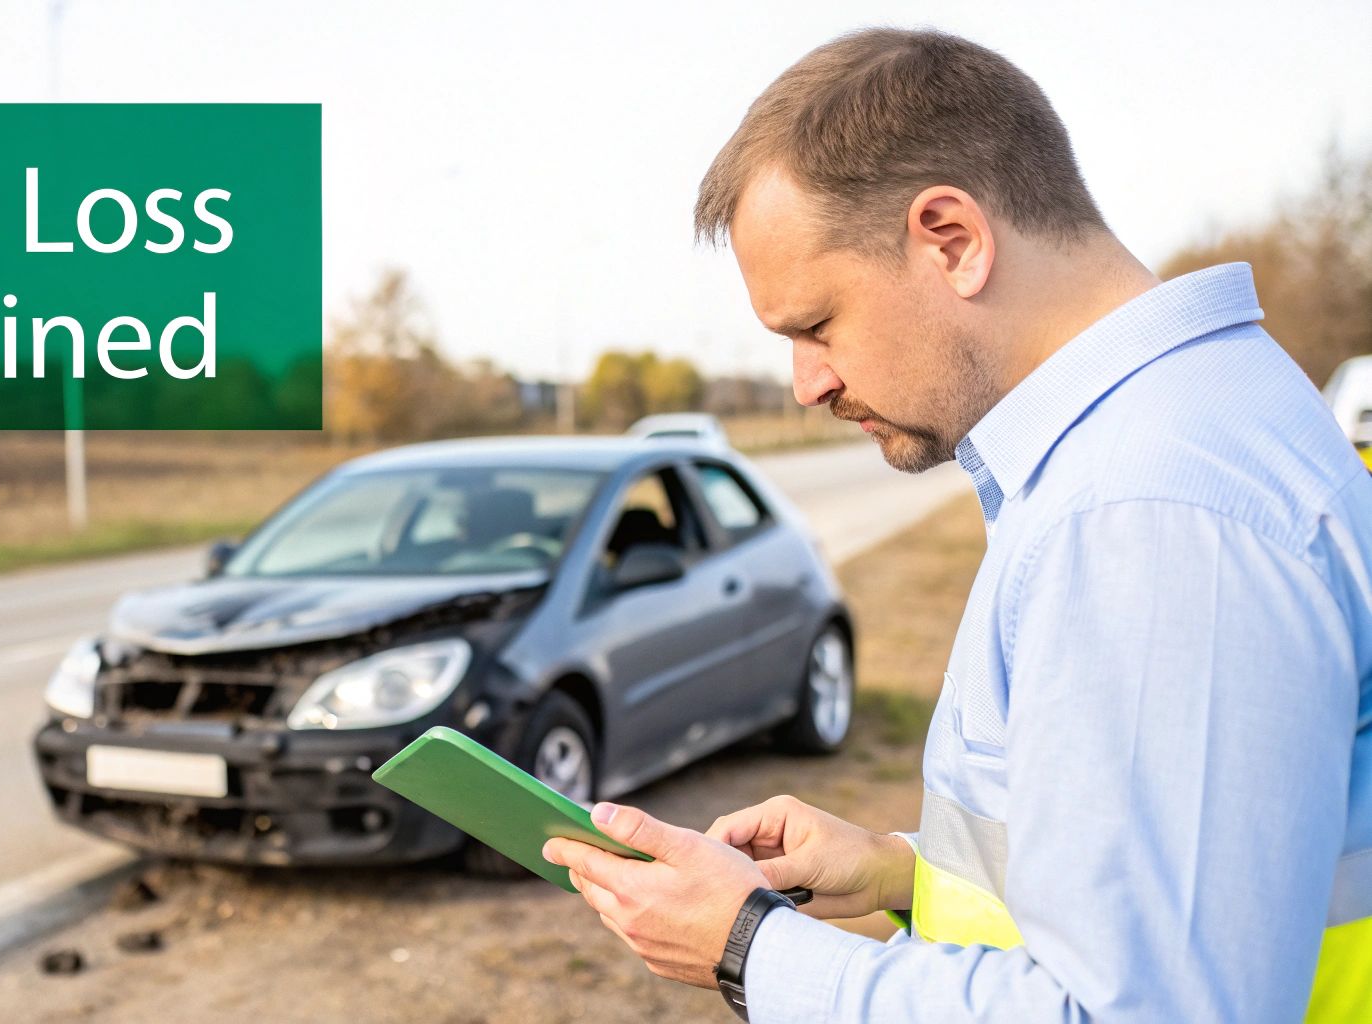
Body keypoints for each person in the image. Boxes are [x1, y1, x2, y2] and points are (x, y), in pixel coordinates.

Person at [541, 27, 1371, 1023]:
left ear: (951, 238)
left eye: (814, 325)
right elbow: (1164, 876)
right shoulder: (1161, 442)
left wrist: (750, 948)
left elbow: (1147, 1006)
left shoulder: (1145, 508)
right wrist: (901, 870)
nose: (808, 382)